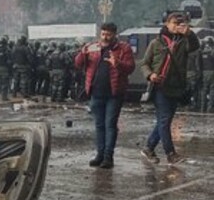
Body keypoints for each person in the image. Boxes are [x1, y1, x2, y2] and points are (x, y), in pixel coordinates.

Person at [140, 12, 200, 165]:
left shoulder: (184, 41)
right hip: (160, 87)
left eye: (180, 23)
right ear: (167, 24)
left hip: (177, 87)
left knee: (163, 121)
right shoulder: (156, 43)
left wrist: (190, 34)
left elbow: (194, 47)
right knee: (165, 121)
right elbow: (144, 63)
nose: (177, 26)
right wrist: (151, 75)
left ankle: (149, 147)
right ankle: (171, 154)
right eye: (174, 23)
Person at [74, 22, 135, 168]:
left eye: (108, 34)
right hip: (96, 92)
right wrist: (83, 52)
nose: (105, 37)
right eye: (103, 34)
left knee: (110, 124)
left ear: (114, 34)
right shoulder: (93, 47)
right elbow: (78, 64)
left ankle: (108, 157)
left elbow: (130, 68)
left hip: (114, 93)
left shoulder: (123, 48)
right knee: (99, 125)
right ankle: (100, 154)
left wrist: (117, 63)